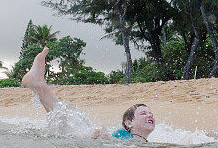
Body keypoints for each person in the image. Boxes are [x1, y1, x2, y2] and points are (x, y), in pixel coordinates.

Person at [21, 47, 156, 141]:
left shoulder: (139, 141)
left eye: (150, 114)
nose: (149, 115)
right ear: (128, 123)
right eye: (143, 113)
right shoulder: (124, 135)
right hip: (83, 141)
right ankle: (38, 84)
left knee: (64, 118)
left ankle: (38, 84)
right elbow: (108, 141)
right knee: (64, 119)